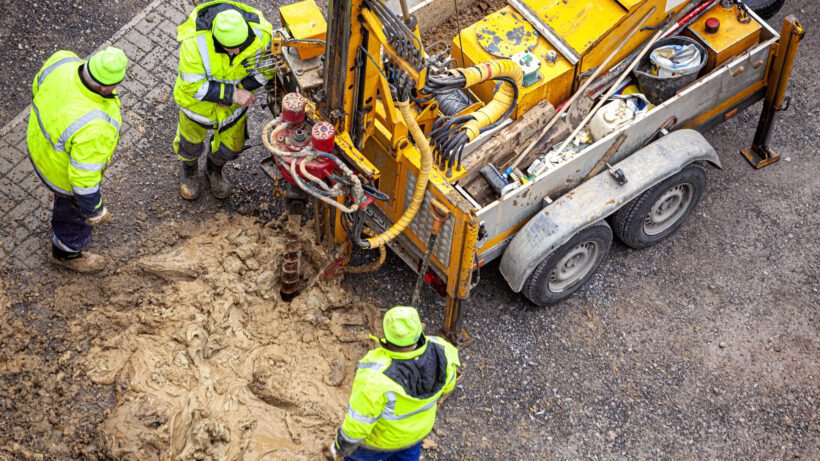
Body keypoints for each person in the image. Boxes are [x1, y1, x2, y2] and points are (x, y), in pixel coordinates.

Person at [27, 46, 128, 273]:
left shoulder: (63, 60)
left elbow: (37, 87)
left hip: (38, 142)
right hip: (59, 173)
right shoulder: (97, 124)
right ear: (105, 86)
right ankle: (66, 253)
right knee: (74, 212)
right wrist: (94, 210)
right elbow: (83, 178)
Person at [173, 1, 275, 200]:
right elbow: (191, 86)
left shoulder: (262, 34)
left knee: (231, 147)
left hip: (232, 112)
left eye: (240, 47)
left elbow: (266, 69)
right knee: (189, 144)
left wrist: (240, 90)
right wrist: (232, 94)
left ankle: (214, 170)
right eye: (229, 49)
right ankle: (189, 171)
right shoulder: (194, 42)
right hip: (197, 109)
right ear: (215, 39)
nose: (236, 52)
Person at [330, 306, 460, 461]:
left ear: (386, 335)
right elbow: (448, 387)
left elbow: (358, 423)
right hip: (414, 436)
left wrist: (340, 447)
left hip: (379, 443)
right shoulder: (443, 351)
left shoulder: (375, 374)